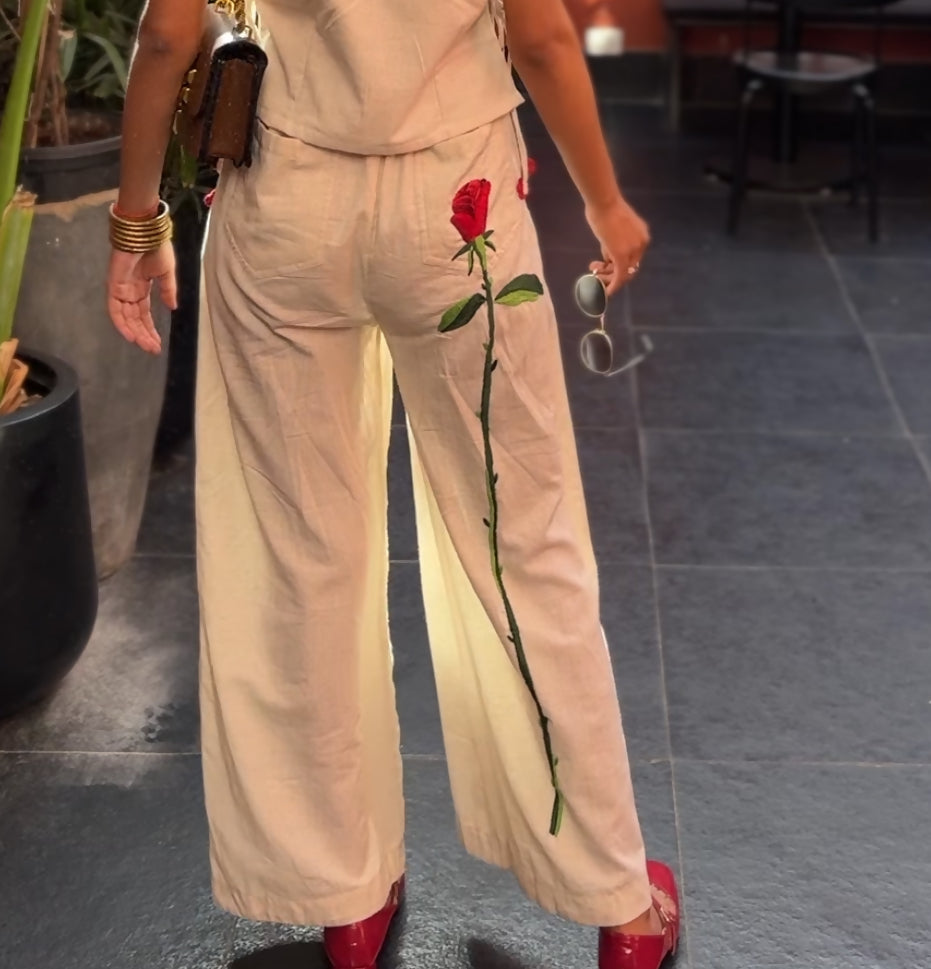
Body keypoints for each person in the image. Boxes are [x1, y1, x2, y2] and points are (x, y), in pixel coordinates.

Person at [106, 1, 681, 967]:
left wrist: (134, 224)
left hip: (285, 199)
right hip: (455, 201)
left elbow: (166, 35)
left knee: (301, 558)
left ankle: (344, 892)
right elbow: (541, 40)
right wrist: (604, 201)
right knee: (521, 545)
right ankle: (617, 901)